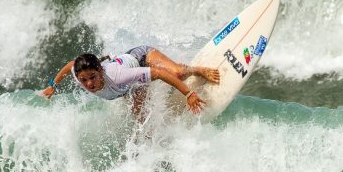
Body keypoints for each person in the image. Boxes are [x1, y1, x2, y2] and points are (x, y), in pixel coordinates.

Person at [42, 46, 219, 115]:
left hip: (141, 56)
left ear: (101, 71)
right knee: (140, 117)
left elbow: (157, 73)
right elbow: (69, 65)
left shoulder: (118, 76)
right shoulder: (78, 71)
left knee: (178, 73)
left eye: (92, 78)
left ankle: (195, 69)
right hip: (130, 87)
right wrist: (53, 85)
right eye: (83, 80)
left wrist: (189, 93)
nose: (89, 84)